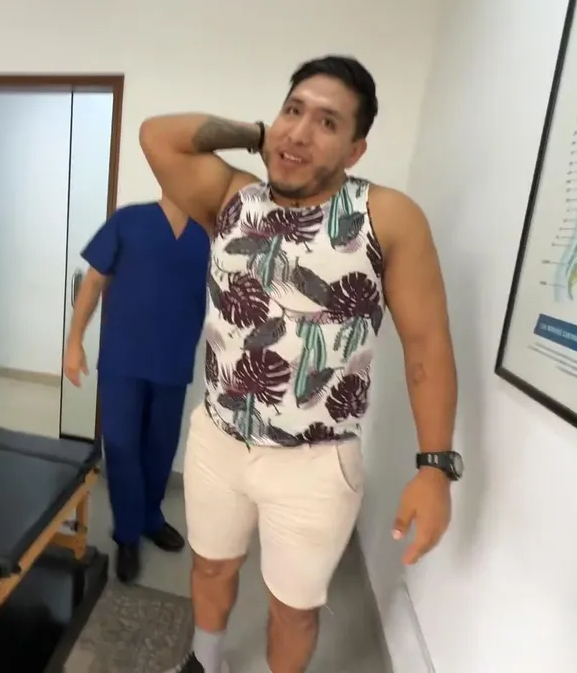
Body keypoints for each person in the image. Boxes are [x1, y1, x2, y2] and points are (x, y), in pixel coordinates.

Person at [139, 56, 462, 673]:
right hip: (218, 438)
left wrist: (435, 468)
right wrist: (262, 135)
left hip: (315, 462)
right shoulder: (231, 198)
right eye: (294, 110)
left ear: (355, 150)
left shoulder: (387, 216)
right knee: (210, 567)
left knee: (294, 609)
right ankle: (205, 662)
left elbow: (427, 347)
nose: (301, 131)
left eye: (327, 122)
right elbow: (157, 135)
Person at [64, 196, 210, 583]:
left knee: (160, 450)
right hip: (123, 361)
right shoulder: (128, 221)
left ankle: (150, 519)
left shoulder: (208, 232)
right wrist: (74, 341)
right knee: (123, 448)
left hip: (173, 364)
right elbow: (93, 281)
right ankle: (128, 534)